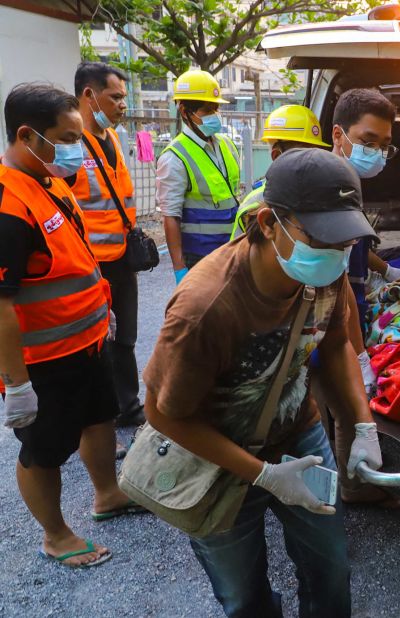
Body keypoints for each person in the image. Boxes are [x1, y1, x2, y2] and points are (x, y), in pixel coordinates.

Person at [143, 148, 384, 617]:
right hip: (214, 459)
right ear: (269, 222)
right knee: (243, 596)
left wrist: (364, 425)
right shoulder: (204, 308)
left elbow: (334, 345)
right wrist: (262, 475)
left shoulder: (326, 271)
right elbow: (162, 413)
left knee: (331, 570)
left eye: (345, 241)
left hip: (299, 437)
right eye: (321, 238)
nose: (336, 254)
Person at [0, 83, 140, 568]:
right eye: (64, 137)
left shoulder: (51, 181)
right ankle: (55, 535)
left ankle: (107, 494)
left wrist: (101, 310)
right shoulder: (7, 203)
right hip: (43, 361)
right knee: (44, 450)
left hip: (88, 341)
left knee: (99, 417)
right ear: (26, 135)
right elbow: (1, 305)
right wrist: (16, 384)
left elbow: (73, 260)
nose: (74, 148)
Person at [327, 88, 400, 509]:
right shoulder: (324, 187)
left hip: (345, 306)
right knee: (341, 405)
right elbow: (334, 282)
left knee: (340, 407)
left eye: (384, 146)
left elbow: (355, 251)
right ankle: (342, 491)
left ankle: (349, 484)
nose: (376, 153)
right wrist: (357, 350)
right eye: (367, 141)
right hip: (326, 317)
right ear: (339, 134)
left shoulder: (347, 183)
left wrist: (386, 271)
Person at [69, 61, 145, 427]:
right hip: (90, 265)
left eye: (123, 98)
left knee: (125, 338)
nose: (122, 105)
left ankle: (127, 407)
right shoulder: (69, 146)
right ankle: (100, 417)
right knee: (97, 342)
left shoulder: (112, 137)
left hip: (121, 260)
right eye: (115, 97)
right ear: (89, 95)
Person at [156, 69, 240, 284]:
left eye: (216, 108)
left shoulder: (227, 145)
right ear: (184, 111)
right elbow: (171, 217)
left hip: (232, 248)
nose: (214, 115)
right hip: (200, 257)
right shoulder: (175, 157)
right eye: (206, 110)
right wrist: (179, 269)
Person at [230, 104, 331, 240]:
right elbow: (240, 257)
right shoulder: (254, 204)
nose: (312, 162)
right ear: (277, 155)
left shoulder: (328, 194)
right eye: (303, 155)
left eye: (314, 154)